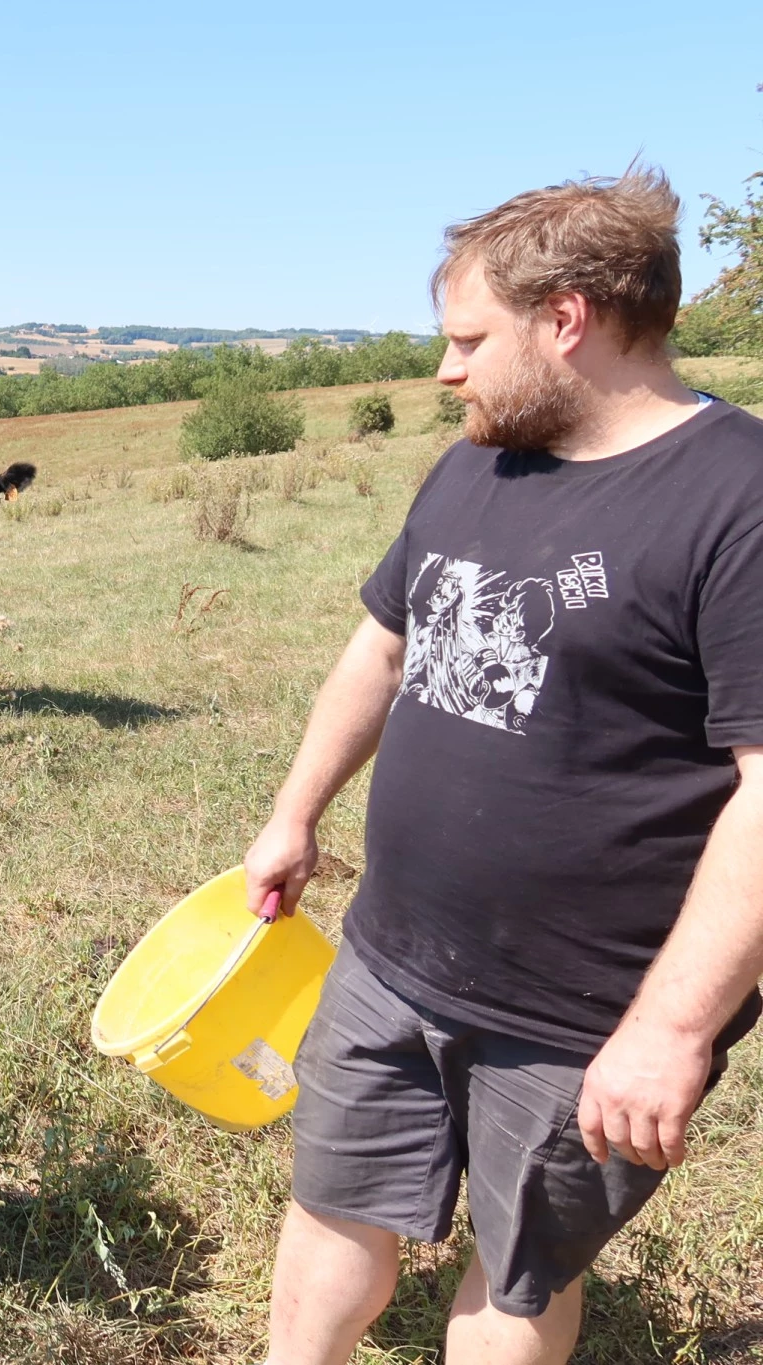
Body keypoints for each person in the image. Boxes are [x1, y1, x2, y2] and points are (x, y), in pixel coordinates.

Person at [244, 167, 763, 1365]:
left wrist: (672, 1030)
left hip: (582, 1010)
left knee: (515, 1270)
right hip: (389, 952)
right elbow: (381, 647)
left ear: (566, 320)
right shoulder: (481, 460)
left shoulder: (736, 499)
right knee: (329, 1202)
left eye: (468, 340)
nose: (445, 371)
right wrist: (293, 811)